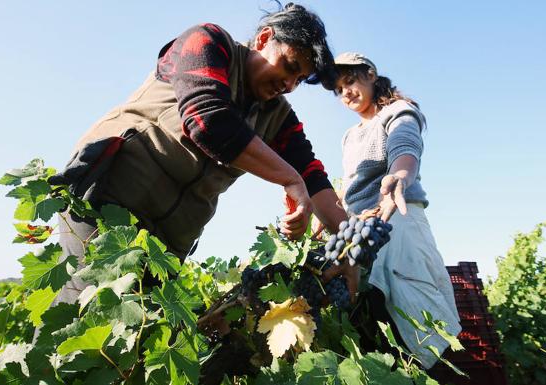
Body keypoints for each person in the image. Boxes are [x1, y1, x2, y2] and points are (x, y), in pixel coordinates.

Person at [49, 3, 347, 304]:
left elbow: (313, 177)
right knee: (85, 316)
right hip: (106, 200)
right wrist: (289, 178)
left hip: (165, 244)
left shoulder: (278, 117)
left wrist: (350, 246)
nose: (289, 85)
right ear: (263, 39)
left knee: (132, 340)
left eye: (298, 80)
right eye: (290, 66)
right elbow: (208, 120)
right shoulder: (208, 42)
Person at [331, 52, 461, 369]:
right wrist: (331, 213)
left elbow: (404, 145)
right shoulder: (348, 137)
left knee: (415, 315)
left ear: (370, 75)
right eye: (339, 89)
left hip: (398, 216)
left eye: (350, 81)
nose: (346, 92)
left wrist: (400, 175)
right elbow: (352, 188)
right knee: (372, 316)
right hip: (361, 229)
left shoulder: (398, 111)